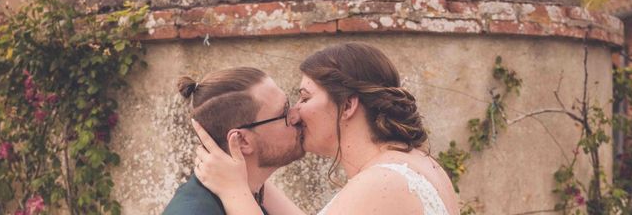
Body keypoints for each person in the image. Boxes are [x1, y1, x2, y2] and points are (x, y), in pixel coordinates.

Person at [193, 42, 460, 215]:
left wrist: (233, 192)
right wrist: (252, 179)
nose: (295, 113)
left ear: (347, 106)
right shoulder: (417, 164)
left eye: (305, 98)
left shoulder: (382, 183)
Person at [162, 67, 304, 214]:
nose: (297, 116)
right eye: (284, 112)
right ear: (242, 141)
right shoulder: (194, 211)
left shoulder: (252, 197)